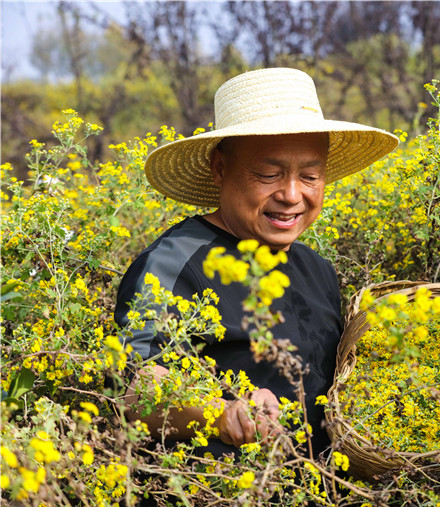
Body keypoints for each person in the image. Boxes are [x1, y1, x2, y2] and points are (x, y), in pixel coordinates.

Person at [115, 68, 398, 458]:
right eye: (269, 174)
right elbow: (135, 389)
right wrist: (222, 413)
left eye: (311, 175)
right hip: (219, 506)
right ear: (219, 169)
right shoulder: (174, 262)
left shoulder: (318, 270)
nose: (292, 195)